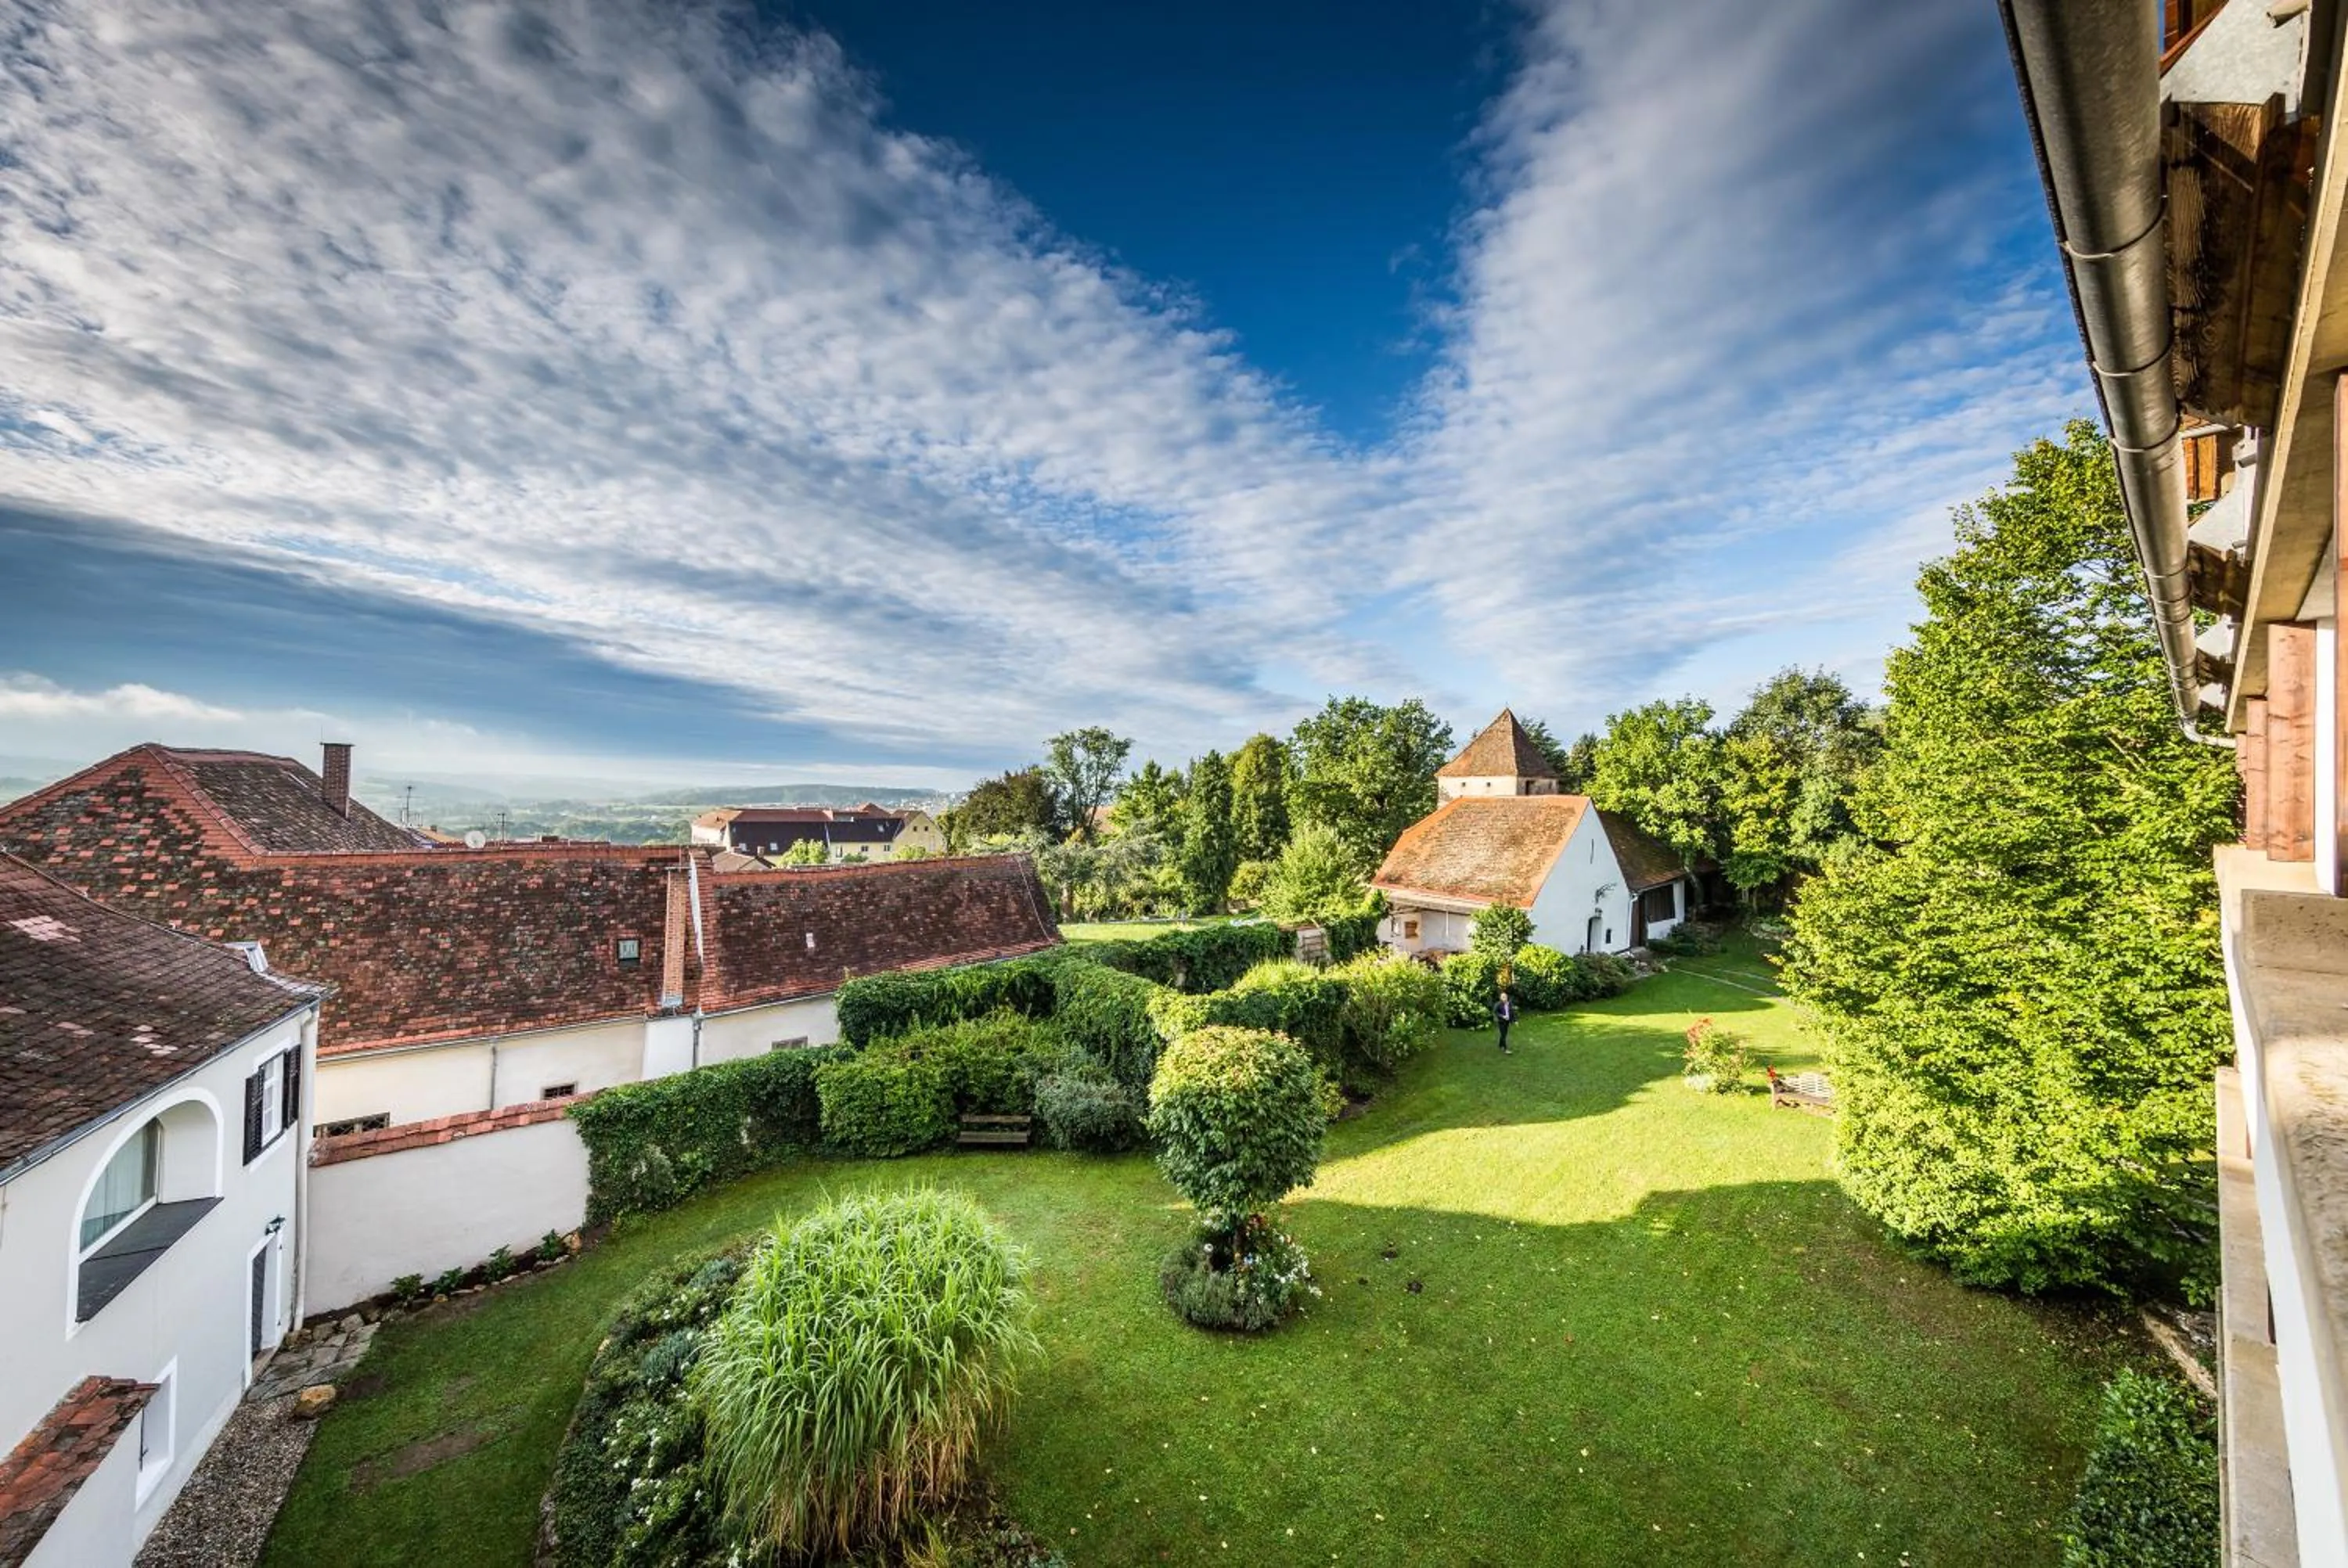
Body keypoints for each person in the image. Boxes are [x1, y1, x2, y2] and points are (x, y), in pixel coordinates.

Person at [1494, 987, 1515, 1054]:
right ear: (1501, 998)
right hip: (1501, 1022)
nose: (1504, 998)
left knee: (1504, 1034)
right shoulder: (1498, 1004)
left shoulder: (1509, 1004)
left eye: (1505, 997)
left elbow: (1512, 1013)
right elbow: (1495, 1012)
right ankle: (1505, 1049)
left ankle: (1500, 1045)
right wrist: (1503, 1016)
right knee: (1503, 1035)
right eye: (1503, 997)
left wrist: (1515, 1020)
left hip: (1507, 1022)